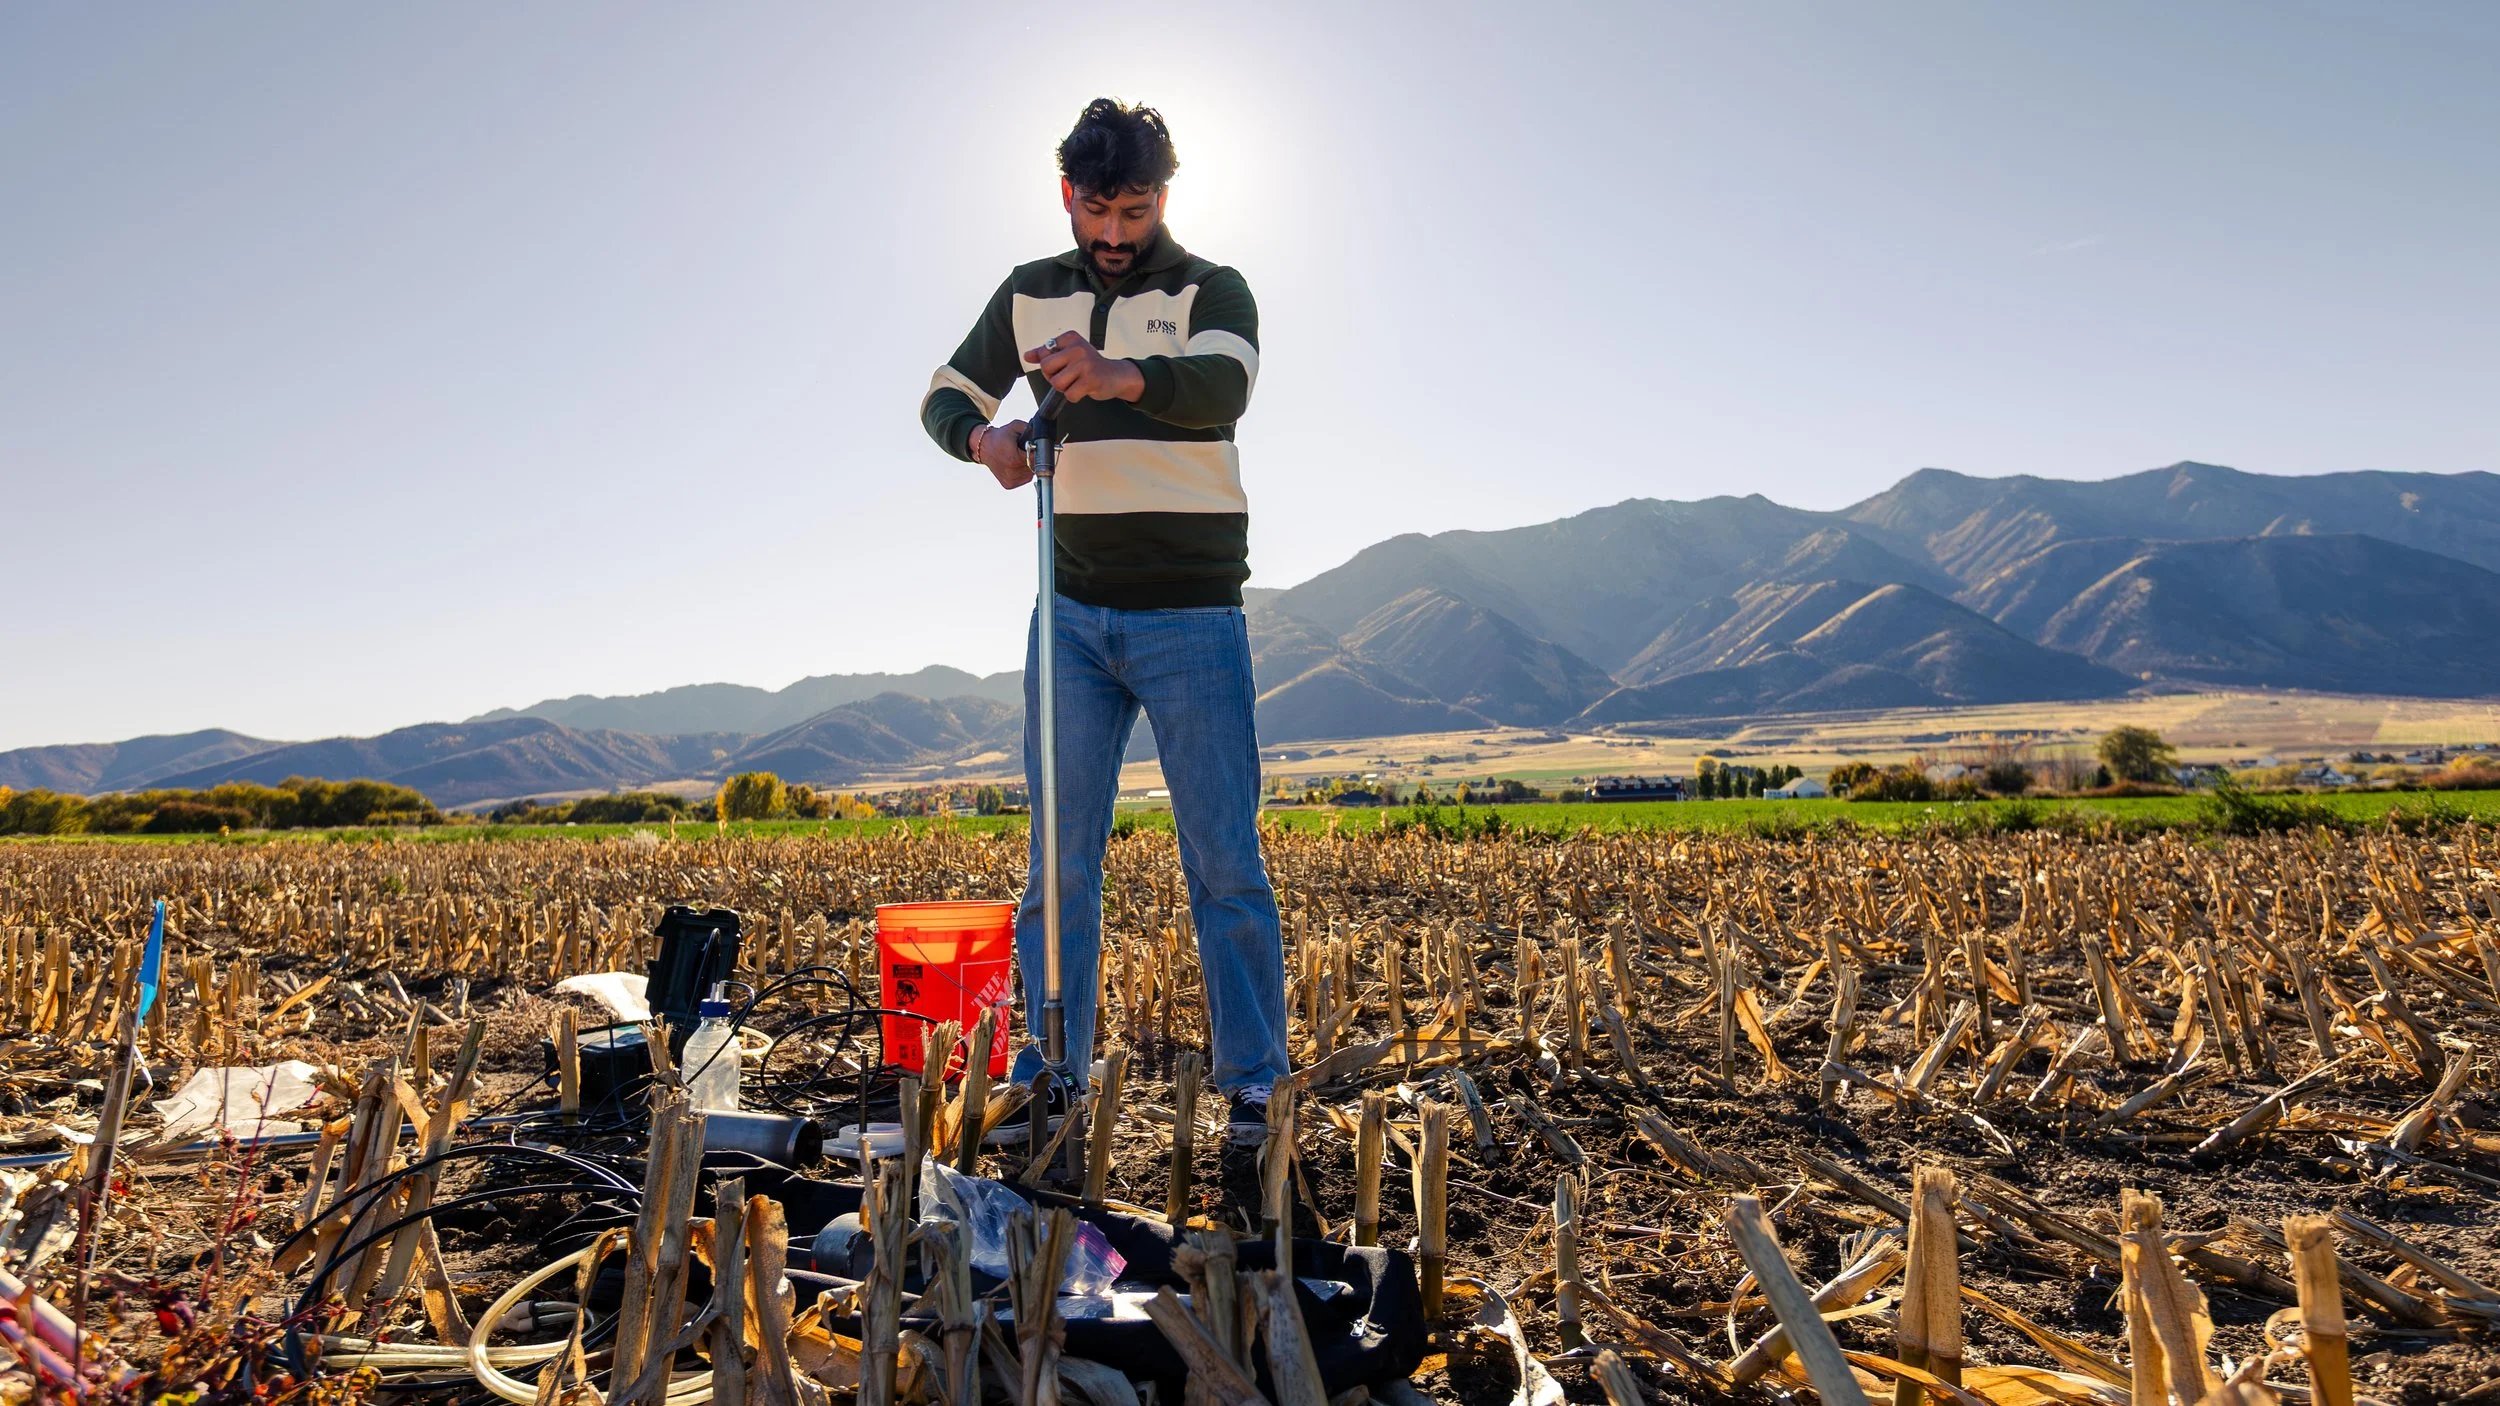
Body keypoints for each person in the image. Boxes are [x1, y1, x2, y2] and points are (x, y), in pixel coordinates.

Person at [919, 99, 1286, 1146]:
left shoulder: (1214, 288)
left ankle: (1255, 1082)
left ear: (1163, 198)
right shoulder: (1029, 293)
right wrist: (980, 439)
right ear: (1066, 195)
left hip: (1193, 617)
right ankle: (1052, 1073)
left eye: (1133, 209)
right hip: (1070, 615)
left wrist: (1125, 375)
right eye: (1095, 208)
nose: (1113, 233)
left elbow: (1228, 385)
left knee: (1223, 858)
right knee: (1057, 858)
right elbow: (945, 393)